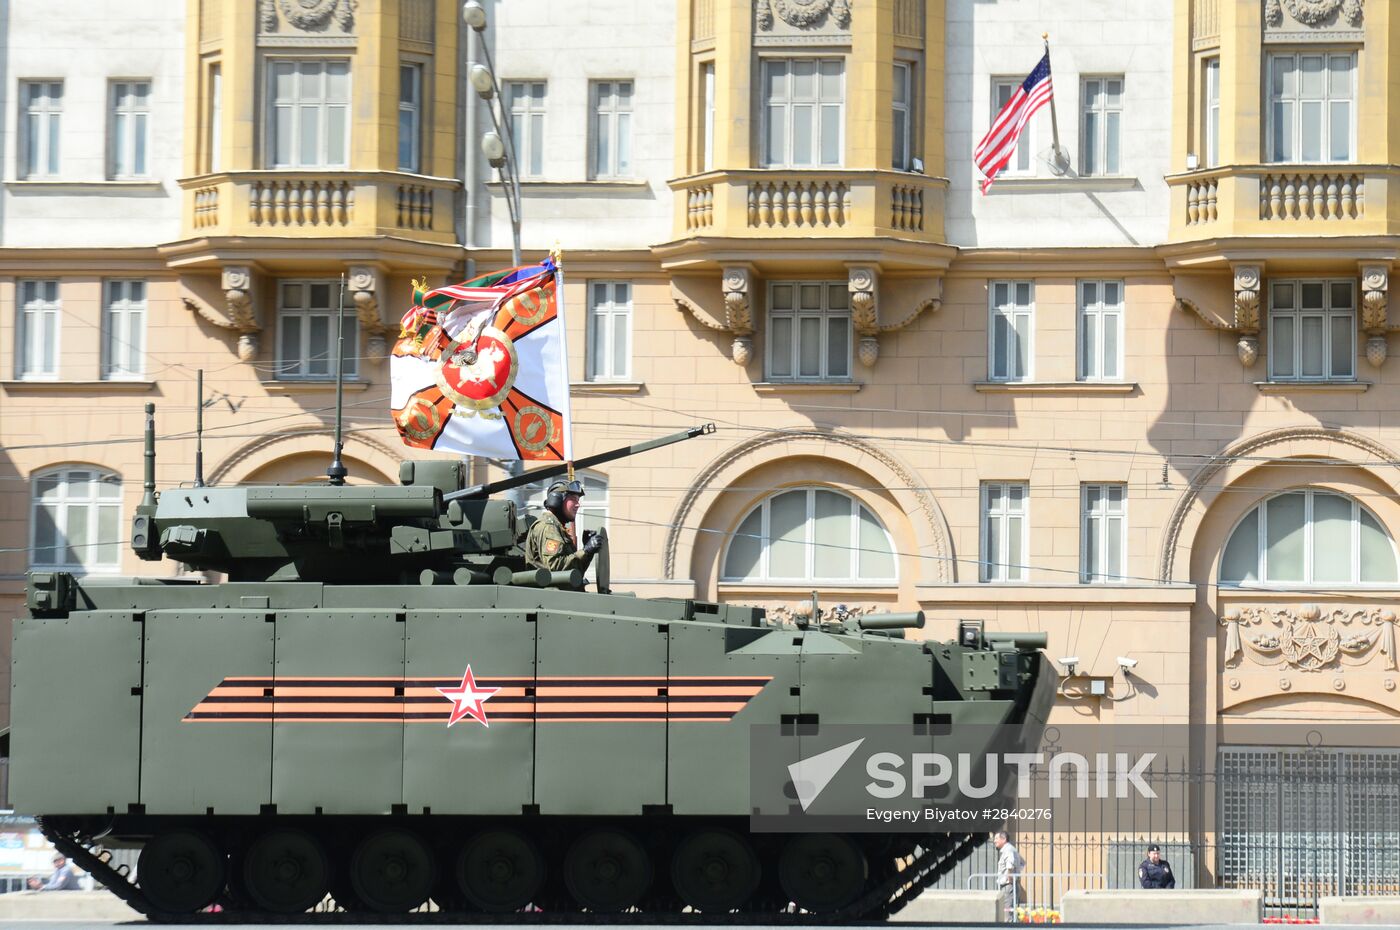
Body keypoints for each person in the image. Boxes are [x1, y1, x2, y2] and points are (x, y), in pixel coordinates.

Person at [524, 479, 601, 573]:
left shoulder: (557, 527)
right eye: (573, 499)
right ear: (557, 500)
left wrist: (587, 552)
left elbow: (573, 571)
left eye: (578, 500)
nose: (578, 504)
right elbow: (554, 566)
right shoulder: (549, 526)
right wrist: (585, 551)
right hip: (551, 588)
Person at [993, 831, 1025, 918]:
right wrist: (1016, 873)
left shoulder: (1008, 850)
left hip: (1008, 885)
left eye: (996, 838)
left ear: (1004, 839)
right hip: (1011, 884)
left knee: (1007, 913)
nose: (994, 841)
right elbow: (1022, 863)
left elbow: (1010, 865)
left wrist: (1010, 877)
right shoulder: (1011, 849)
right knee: (1010, 910)